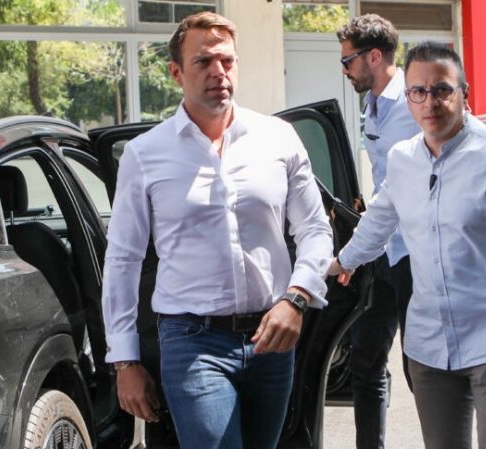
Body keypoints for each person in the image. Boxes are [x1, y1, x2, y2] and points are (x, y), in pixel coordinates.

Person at [101, 11, 333, 449]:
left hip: (272, 336)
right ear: (176, 72)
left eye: (227, 61)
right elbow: (123, 258)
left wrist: (297, 299)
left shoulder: (279, 138)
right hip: (192, 342)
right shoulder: (145, 154)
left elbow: (315, 229)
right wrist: (125, 360)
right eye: (203, 62)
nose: (218, 72)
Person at [330, 41, 486, 449]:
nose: (430, 102)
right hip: (429, 346)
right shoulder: (403, 159)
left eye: (442, 89)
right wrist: (342, 261)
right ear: (408, 96)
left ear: (464, 92)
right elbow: (379, 222)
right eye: (418, 91)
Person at [336, 14, 419, 449]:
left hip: (417, 256)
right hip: (382, 251)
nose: (344, 70)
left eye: (347, 61)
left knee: (421, 369)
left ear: (373, 56)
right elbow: (383, 185)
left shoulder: (415, 100)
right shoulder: (372, 104)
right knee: (365, 360)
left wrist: (350, 253)